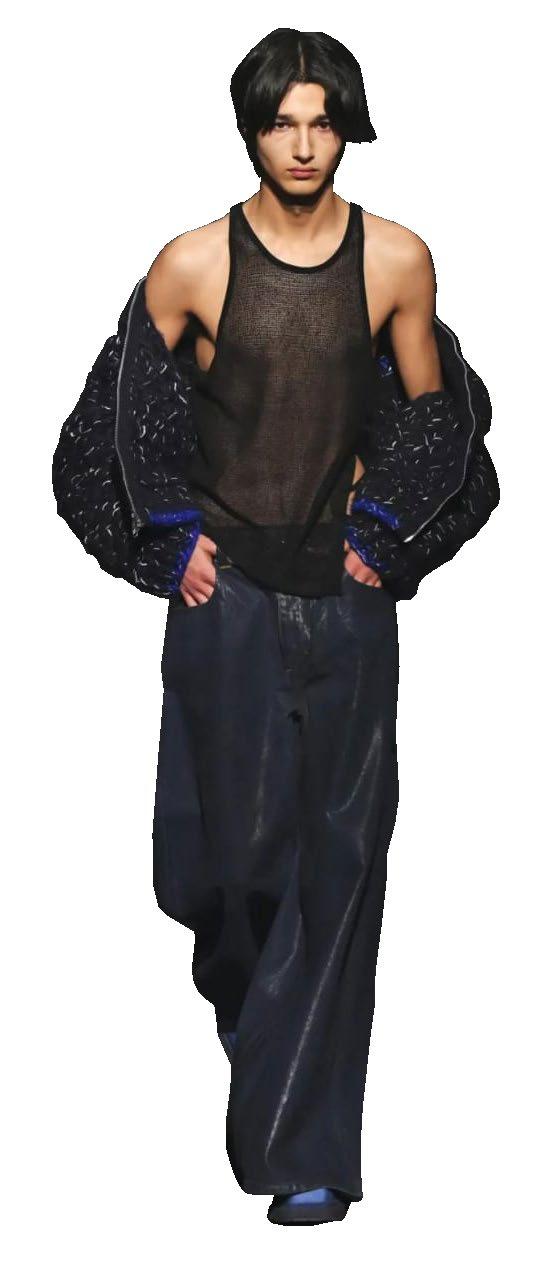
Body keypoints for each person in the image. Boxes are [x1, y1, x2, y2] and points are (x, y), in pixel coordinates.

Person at [52, 28, 500, 1228]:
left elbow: (439, 419)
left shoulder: (396, 258)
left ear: (346, 125)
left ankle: (310, 1153)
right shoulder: (192, 263)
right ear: (251, 130)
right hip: (228, 600)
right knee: (221, 866)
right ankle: (265, 1031)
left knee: (340, 864)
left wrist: (387, 531)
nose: (302, 144)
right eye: (280, 121)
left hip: (345, 603)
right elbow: (106, 429)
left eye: (321, 120)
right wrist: (164, 546)